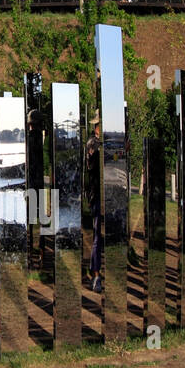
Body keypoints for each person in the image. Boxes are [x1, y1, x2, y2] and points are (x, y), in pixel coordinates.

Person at [85, 115, 102, 292]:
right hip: (97, 194)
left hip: (110, 194)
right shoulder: (93, 143)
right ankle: (96, 273)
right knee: (97, 235)